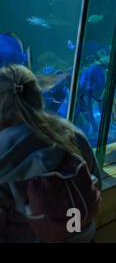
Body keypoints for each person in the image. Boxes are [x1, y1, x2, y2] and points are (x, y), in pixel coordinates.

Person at [0, 65, 102, 243]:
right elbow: (96, 184)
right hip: (81, 237)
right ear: (39, 96)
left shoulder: (3, 152)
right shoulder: (72, 134)